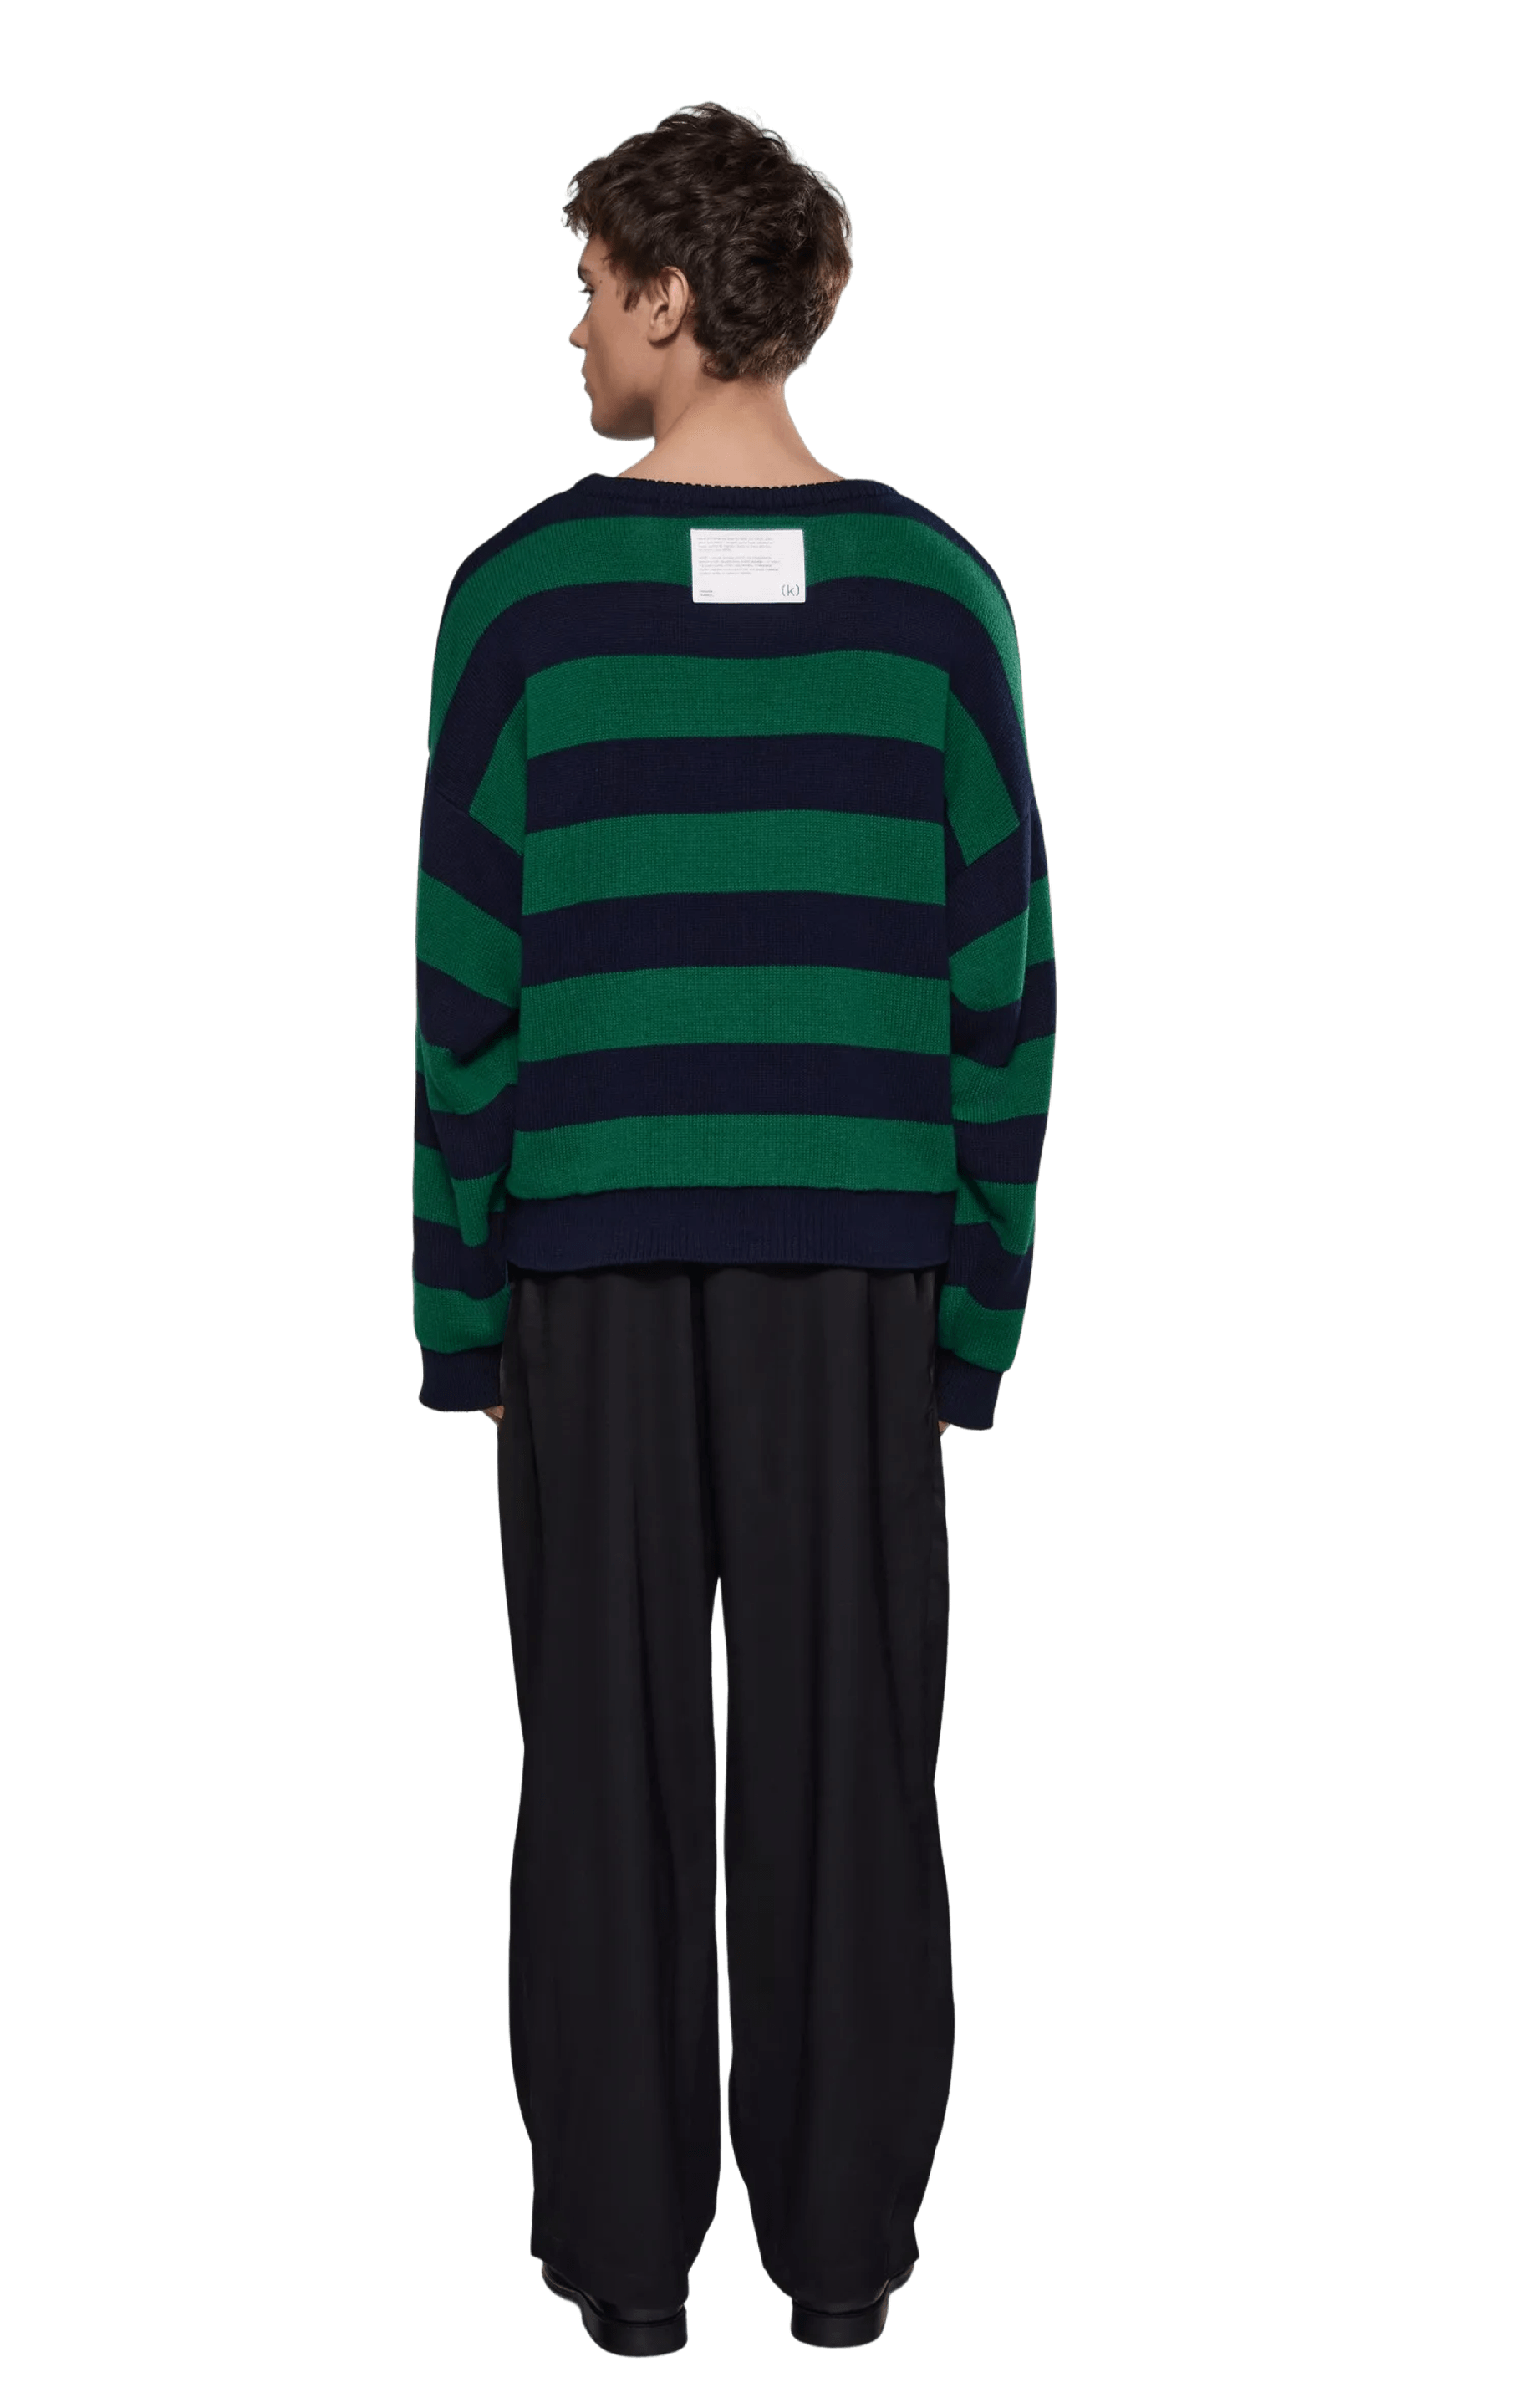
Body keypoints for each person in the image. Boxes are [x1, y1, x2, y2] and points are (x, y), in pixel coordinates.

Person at [410, 100, 1057, 2358]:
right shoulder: (937, 595)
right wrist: (972, 1311)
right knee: (849, 1764)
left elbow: (458, 992)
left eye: (592, 287)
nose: (574, 328)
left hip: (581, 1270)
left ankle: (627, 2272)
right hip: (856, 1274)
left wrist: (459, 1309)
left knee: (602, 1776)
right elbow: (1007, 981)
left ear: (675, 295)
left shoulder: (516, 598)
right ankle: (841, 2265)